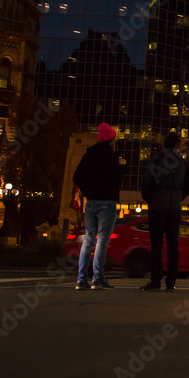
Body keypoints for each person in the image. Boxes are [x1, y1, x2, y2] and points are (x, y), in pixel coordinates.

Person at [72, 123, 127, 290]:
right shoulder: (112, 157)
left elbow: (77, 176)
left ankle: (81, 279)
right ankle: (98, 278)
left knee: (88, 240)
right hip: (107, 201)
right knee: (102, 240)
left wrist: (88, 192)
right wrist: (122, 168)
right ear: (110, 139)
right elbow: (117, 179)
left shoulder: (89, 155)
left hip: (92, 202)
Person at [139, 131, 189, 292]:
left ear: (163, 144)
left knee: (156, 245)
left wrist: (151, 198)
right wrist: (177, 198)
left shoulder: (157, 159)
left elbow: (146, 182)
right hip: (174, 208)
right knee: (172, 245)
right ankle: (171, 281)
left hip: (157, 207)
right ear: (177, 145)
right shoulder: (183, 163)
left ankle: (156, 280)